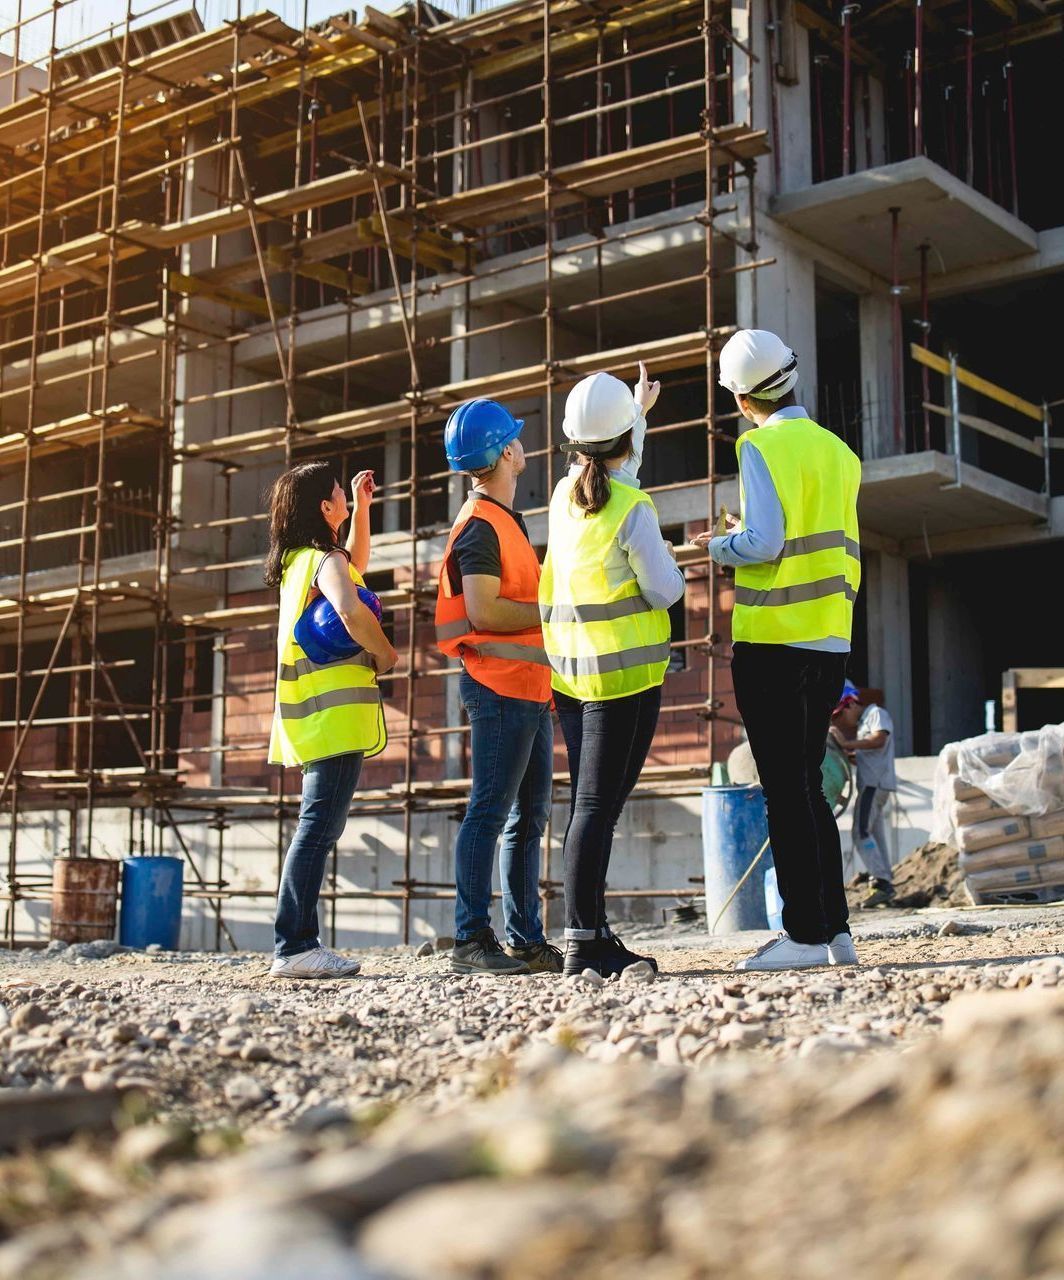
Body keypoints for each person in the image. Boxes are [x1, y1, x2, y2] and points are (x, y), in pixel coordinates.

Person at [692, 329, 862, 972]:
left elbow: (765, 543)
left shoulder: (758, 445)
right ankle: (835, 931)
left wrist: (719, 545)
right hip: (830, 639)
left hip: (774, 642)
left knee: (785, 791)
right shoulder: (840, 452)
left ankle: (804, 934)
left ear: (742, 399)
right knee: (809, 787)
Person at [540, 363, 685, 977]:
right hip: (623, 680)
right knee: (597, 808)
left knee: (589, 807)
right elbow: (664, 591)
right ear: (622, 438)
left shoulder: (562, 496)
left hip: (572, 676)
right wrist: (675, 563)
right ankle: (584, 943)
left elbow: (611, 468)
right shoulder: (633, 507)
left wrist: (637, 416)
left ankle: (591, 932)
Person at [436, 399, 562, 975]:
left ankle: (525, 939)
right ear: (507, 451)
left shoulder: (504, 520)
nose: (522, 444)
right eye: (516, 438)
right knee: (489, 811)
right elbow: (484, 610)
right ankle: (470, 939)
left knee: (528, 818)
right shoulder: (481, 526)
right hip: (498, 686)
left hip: (529, 686)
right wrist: (554, 610)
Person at [265, 461, 398, 979]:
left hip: (312, 714)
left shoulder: (302, 561)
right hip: (334, 717)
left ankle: (296, 944)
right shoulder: (325, 559)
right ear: (325, 507)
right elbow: (349, 607)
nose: (345, 494)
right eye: (341, 492)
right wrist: (385, 653)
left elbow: (353, 567)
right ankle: (296, 945)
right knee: (317, 829)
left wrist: (362, 510)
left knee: (316, 826)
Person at [830, 681, 897, 909]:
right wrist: (847, 753)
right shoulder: (863, 724)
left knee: (860, 833)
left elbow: (879, 739)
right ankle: (885, 881)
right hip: (875, 784)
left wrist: (847, 743)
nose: (842, 720)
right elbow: (868, 755)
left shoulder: (875, 713)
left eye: (841, 713)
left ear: (850, 703)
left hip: (873, 785)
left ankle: (881, 882)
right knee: (875, 835)